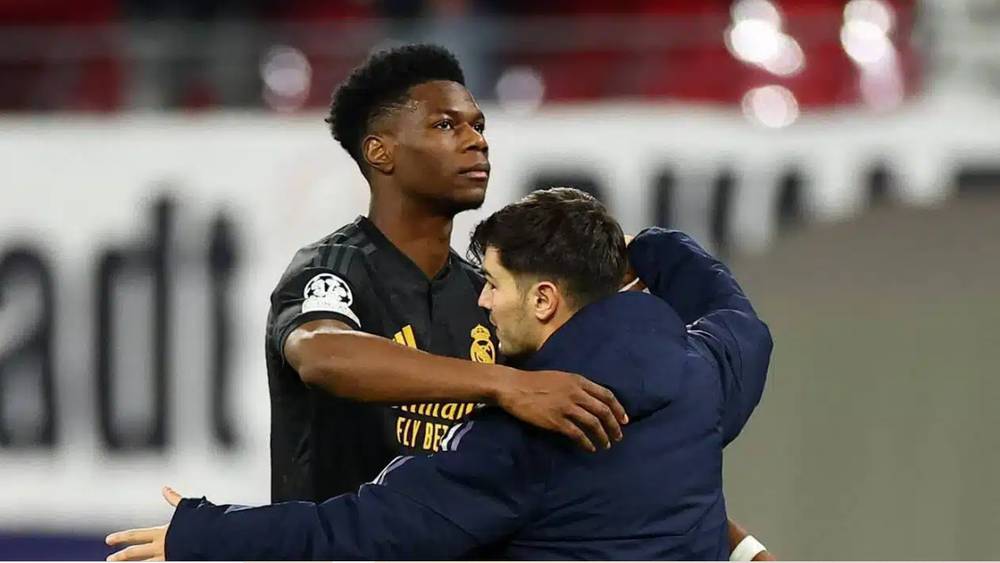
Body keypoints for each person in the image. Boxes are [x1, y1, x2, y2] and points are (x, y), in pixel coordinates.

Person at [106, 188, 773, 560]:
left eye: (495, 283)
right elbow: (735, 313)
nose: (482, 300)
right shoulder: (704, 373)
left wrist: (208, 536)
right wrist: (650, 246)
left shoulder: (522, 440)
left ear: (544, 300)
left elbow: (362, 533)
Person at [262, 44, 628, 504]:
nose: (477, 141)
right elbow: (323, 356)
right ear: (380, 152)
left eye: (478, 126)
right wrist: (503, 384)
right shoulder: (332, 267)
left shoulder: (485, 294)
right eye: (445, 125)